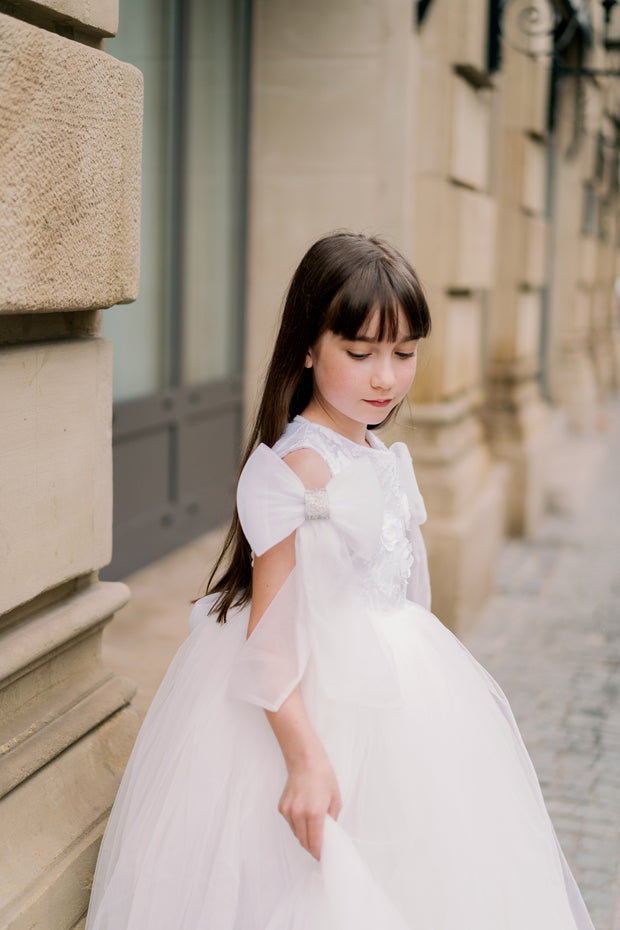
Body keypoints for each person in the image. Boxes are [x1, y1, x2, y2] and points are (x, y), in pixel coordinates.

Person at [85, 233, 594, 930]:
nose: (386, 376)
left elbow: (406, 591)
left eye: (404, 352)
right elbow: (269, 637)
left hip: (395, 690)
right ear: (306, 347)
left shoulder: (378, 453)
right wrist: (304, 760)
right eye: (360, 353)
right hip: (310, 701)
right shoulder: (299, 470)